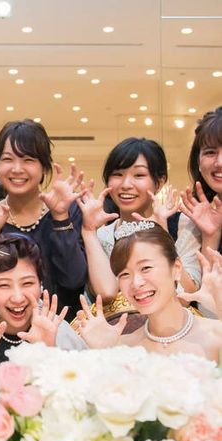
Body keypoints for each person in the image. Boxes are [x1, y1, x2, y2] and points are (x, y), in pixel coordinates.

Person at [0, 119, 88, 317]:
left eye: (28, 160)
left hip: (61, 326)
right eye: (8, 159)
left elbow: (73, 280)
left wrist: (60, 218)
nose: (17, 168)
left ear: (44, 167)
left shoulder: (68, 210)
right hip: (5, 326)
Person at [76, 221, 222, 362]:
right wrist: (104, 352)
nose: (136, 283)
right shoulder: (124, 348)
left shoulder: (216, 336)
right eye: (124, 274)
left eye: (146, 268)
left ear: (176, 269)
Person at [0, 233, 85, 371]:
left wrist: (48, 352)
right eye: (4, 285)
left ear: (40, 284)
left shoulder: (57, 330)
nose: (18, 298)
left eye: (27, 283)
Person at [76, 137, 184, 302]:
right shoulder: (100, 237)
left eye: (139, 175)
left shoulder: (180, 227)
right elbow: (107, 292)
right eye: (117, 174)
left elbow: (182, 296)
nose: (126, 184)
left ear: (159, 182)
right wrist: (89, 231)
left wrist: (162, 231)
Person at [178, 106, 222, 313]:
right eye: (210, 152)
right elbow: (205, 306)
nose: (219, 162)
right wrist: (210, 236)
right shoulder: (192, 219)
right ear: (198, 161)